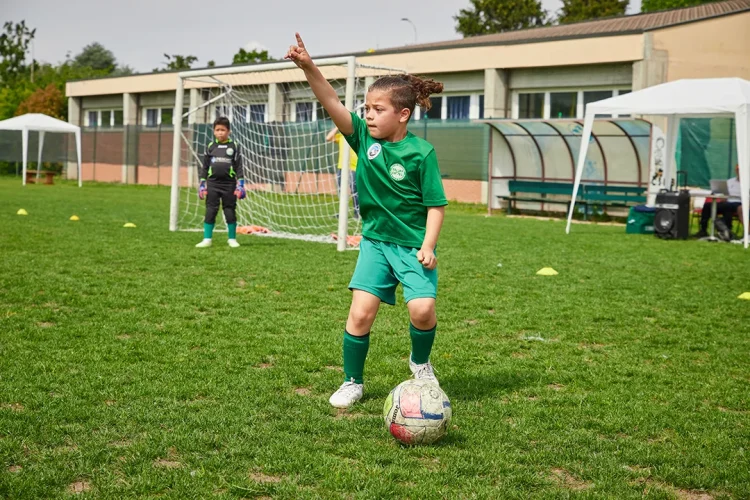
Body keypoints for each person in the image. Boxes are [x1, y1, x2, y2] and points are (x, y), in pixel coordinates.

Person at [286, 34, 447, 409]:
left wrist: (427, 246)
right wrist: (309, 66)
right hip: (375, 243)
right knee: (360, 314)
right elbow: (330, 100)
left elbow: (437, 206)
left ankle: (420, 364)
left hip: (412, 246)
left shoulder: (422, 153)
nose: (369, 115)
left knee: (422, 311)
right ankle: (352, 381)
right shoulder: (362, 138)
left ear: (403, 114)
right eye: (367, 108)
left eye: (378, 109)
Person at [196, 117, 246, 248]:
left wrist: (240, 184)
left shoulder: (234, 146)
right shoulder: (210, 146)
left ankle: (232, 239)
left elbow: (238, 166)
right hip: (213, 184)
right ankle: (207, 239)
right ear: (213, 131)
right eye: (217, 130)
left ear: (228, 131)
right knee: (211, 210)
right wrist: (202, 183)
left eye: (223, 130)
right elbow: (205, 166)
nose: (220, 133)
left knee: (229, 210)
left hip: (229, 184)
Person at [696, 164, 742, 240]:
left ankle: (725, 229)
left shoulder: (747, 183)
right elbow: (724, 192)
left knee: (727, 207)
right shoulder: (730, 181)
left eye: (740, 170)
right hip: (727, 201)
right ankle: (703, 229)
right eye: (737, 170)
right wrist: (721, 195)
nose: (738, 171)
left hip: (738, 202)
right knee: (708, 206)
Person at [326, 125, 359, 218]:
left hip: (354, 167)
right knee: (342, 191)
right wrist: (337, 127)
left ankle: (357, 213)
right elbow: (328, 138)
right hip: (342, 167)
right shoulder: (341, 136)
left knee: (355, 191)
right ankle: (342, 213)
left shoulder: (356, 136)